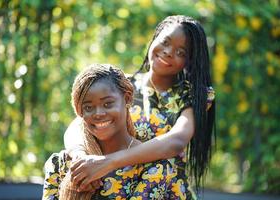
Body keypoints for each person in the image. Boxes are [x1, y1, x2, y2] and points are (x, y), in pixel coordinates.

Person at [65, 15, 216, 198]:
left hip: (163, 189)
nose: (169, 52)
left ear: (189, 61)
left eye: (181, 52)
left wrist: (107, 162)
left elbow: (176, 141)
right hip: (114, 186)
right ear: (154, 40)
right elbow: (78, 124)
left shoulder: (191, 95)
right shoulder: (121, 85)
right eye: (165, 42)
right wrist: (80, 156)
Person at [43, 64, 195, 199]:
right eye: (88, 107)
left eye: (108, 104)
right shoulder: (62, 164)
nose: (98, 113)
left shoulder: (155, 170)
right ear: (79, 111)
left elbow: (178, 140)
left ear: (127, 99)